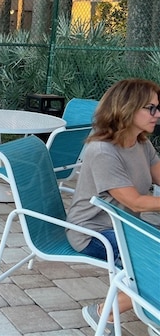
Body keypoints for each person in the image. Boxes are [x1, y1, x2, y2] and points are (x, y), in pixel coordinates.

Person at [66, 78, 160, 335]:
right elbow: (135, 201)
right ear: (127, 108)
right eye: (150, 108)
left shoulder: (141, 142)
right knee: (152, 263)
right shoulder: (103, 150)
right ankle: (103, 312)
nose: (157, 114)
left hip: (126, 226)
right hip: (93, 232)